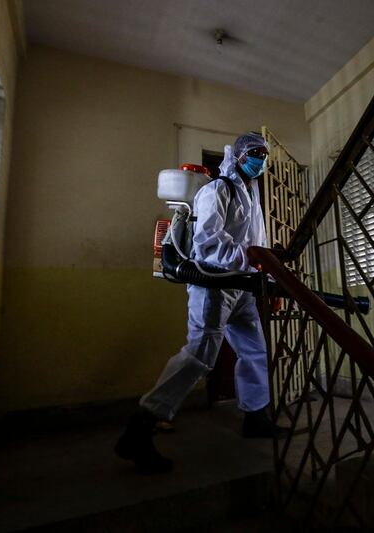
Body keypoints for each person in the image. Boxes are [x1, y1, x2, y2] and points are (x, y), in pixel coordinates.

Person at [115, 132, 277, 473]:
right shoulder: (215, 191)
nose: (260, 159)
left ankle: (256, 417)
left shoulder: (251, 195)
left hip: (242, 288)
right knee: (200, 355)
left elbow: (258, 244)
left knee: (255, 351)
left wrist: (267, 278)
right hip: (213, 285)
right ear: (238, 156)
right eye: (254, 153)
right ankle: (141, 427)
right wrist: (250, 259)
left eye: (264, 154)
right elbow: (208, 245)